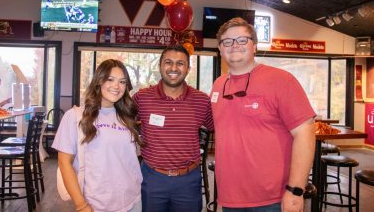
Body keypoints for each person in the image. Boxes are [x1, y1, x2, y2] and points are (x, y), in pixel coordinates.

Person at [211, 17, 316, 212]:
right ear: (220, 48)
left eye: (242, 40)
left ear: (255, 46)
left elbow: (305, 132)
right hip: (229, 199)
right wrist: (221, 199)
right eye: (227, 41)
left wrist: (295, 191)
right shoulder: (218, 85)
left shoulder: (281, 80)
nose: (234, 45)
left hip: (273, 199)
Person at [52, 59, 143, 212]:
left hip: (132, 200)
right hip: (96, 204)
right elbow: (64, 163)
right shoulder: (75, 116)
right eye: (110, 79)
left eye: (122, 82)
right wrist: (81, 205)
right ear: (99, 81)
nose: (116, 86)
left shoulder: (126, 116)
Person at [133, 45, 214, 212]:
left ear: (188, 68)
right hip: (152, 178)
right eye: (168, 62)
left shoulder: (201, 100)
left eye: (180, 63)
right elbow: (120, 120)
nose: (174, 68)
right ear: (160, 66)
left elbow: (219, 126)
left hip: (188, 181)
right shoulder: (142, 98)